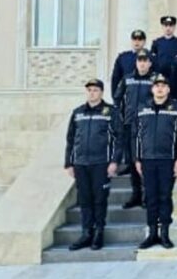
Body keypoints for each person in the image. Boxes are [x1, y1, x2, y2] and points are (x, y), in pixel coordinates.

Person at [64, 79, 122, 251]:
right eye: (89, 90)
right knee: (85, 200)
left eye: (95, 90)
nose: (92, 93)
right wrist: (69, 162)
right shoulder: (78, 113)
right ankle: (86, 233)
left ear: (101, 92)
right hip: (81, 164)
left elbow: (119, 139)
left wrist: (114, 162)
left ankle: (98, 233)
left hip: (101, 163)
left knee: (99, 199)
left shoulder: (110, 112)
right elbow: (70, 139)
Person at [135, 74, 177, 250]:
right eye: (157, 85)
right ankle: (152, 233)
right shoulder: (142, 108)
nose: (160, 88)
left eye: (163, 86)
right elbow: (135, 135)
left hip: (168, 160)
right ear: (152, 89)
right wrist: (136, 158)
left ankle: (164, 233)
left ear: (168, 89)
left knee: (165, 197)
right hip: (147, 160)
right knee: (150, 197)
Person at [113, 49, 156, 209]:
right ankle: (136, 195)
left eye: (145, 60)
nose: (142, 63)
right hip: (129, 126)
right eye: (140, 60)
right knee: (132, 162)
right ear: (136, 62)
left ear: (150, 63)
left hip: (148, 127)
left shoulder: (156, 79)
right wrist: (120, 116)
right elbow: (118, 98)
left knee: (146, 162)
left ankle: (147, 196)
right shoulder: (127, 79)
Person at [111, 29, 149, 95]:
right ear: (131, 41)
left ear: (144, 41)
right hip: (128, 93)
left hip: (146, 93)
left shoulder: (150, 57)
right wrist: (115, 96)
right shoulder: (123, 57)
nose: (137, 42)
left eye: (140, 39)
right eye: (134, 39)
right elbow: (115, 78)